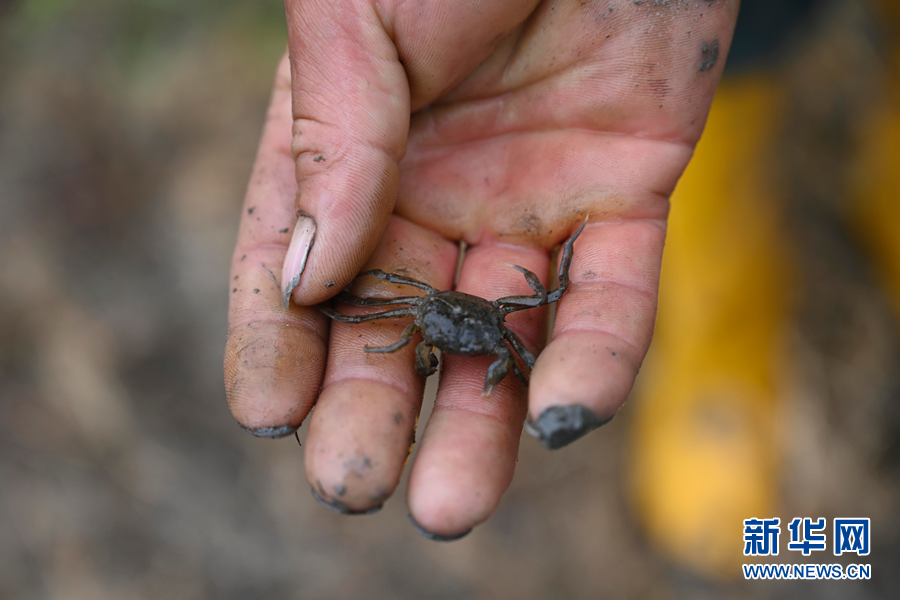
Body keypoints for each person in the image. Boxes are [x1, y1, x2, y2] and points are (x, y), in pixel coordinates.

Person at [224, 0, 739, 541]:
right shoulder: (422, 307)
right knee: (365, 311)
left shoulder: (500, 337)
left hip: (696, 76)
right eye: (443, 342)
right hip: (439, 301)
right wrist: (346, 305)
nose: (450, 348)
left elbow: (549, 298)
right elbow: (386, 309)